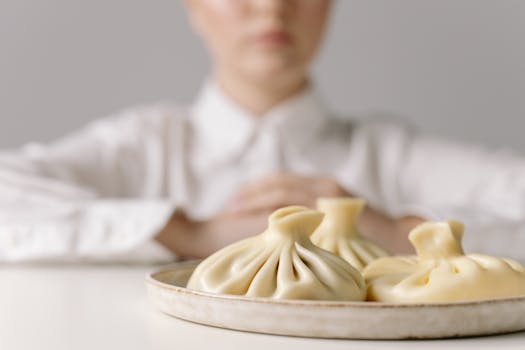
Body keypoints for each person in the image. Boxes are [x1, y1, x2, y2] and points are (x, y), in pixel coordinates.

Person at [1, 0, 524, 263]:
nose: (273, 7)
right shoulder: (144, 146)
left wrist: (396, 234)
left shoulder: (390, 154)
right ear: (194, 7)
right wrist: (186, 235)